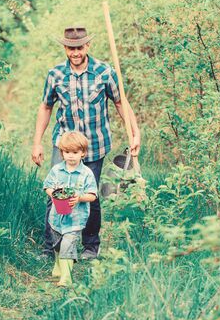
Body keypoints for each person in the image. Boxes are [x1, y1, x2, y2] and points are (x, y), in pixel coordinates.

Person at [32, 27, 141, 259]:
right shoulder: (55, 74)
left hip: (94, 144)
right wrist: (37, 142)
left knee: (89, 194)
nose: (75, 52)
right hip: (63, 145)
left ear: (87, 47)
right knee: (56, 193)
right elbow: (46, 107)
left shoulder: (104, 72)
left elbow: (121, 102)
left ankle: (91, 246)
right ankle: (51, 247)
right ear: (65, 48)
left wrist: (134, 132)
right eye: (71, 48)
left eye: (79, 47)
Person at [43, 131, 97, 286]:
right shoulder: (56, 170)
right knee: (58, 243)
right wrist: (53, 193)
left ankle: (66, 278)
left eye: (75, 152)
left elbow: (93, 195)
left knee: (68, 244)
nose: (71, 156)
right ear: (62, 153)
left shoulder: (86, 173)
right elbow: (47, 186)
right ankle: (58, 266)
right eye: (67, 152)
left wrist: (79, 197)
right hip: (56, 217)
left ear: (83, 153)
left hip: (75, 218)